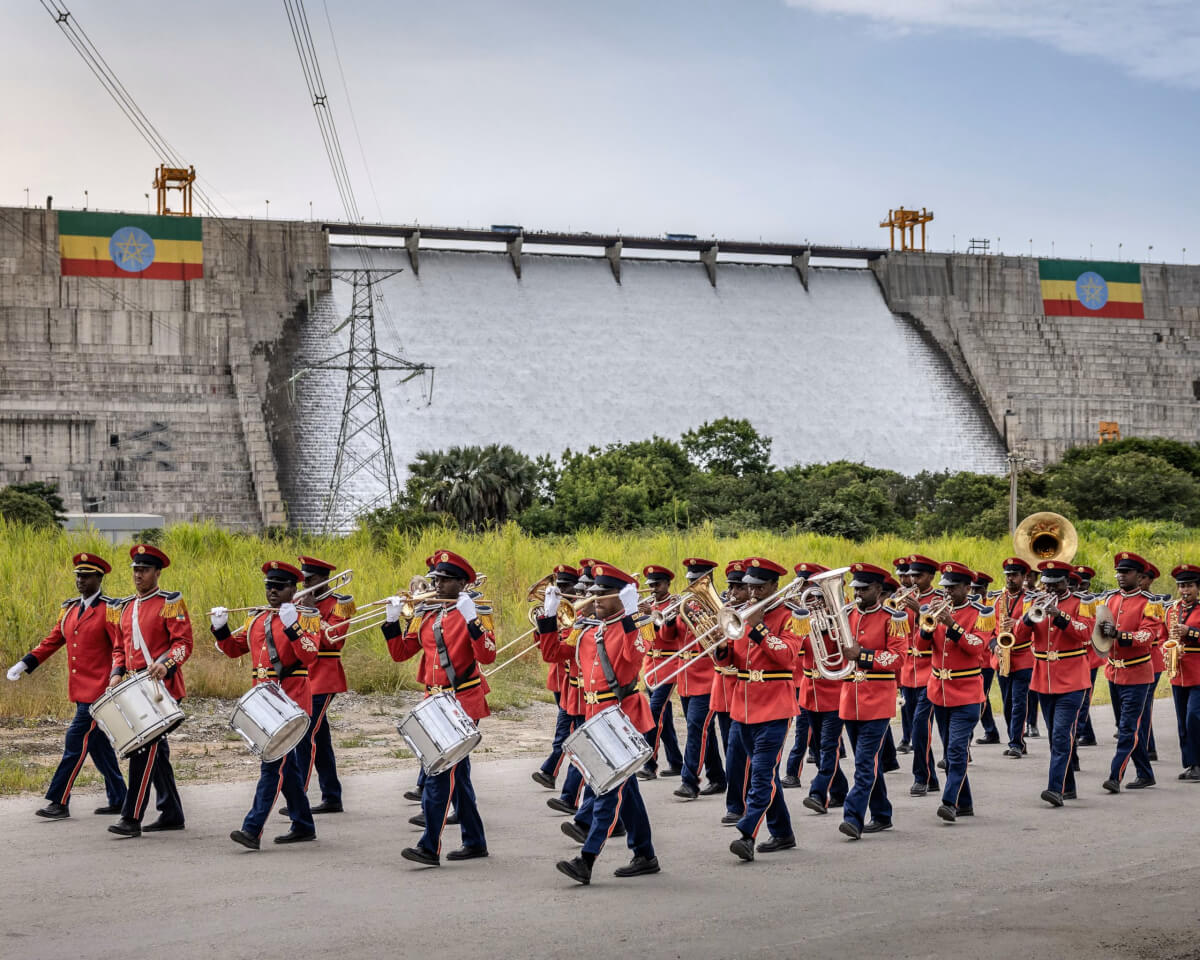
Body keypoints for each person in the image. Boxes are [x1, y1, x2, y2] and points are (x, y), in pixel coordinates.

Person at [537, 562, 660, 885]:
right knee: (625, 790)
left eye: (603, 594)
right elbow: (554, 654)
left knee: (607, 791)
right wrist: (548, 617)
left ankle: (587, 859)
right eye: (592, 594)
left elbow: (636, 657)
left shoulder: (633, 626)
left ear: (622, 597)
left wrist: (634, 617)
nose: (594, 600)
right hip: (595, 718)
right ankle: (645, 854)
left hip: (622, 719)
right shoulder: (588, 628)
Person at [383, 550, 496, 865]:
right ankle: (474, 841)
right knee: (456, 775)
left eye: (446, 580)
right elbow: (402, 653)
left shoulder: (476, 611)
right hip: (433, 701)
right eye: (436, 579)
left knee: (438, 773)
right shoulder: (428, 613)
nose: (438, 584)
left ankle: (429, 846)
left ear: (462, 583)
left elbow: (487, 655)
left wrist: (472, 620)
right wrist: (393, 622)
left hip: (462, 700)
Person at [7, 552, 127, 820]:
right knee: (96, 745)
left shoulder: (109, 609)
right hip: (80, 689)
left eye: (86, 576)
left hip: (99, 692)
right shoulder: (70, 609)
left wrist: (117, 674)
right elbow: (53, 640)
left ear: (99, 577)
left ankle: (59, 801)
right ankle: (121, 797)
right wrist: (25, 663)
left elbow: (120, 647)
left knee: (75, 742)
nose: (80, 580)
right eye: (78, 576)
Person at [213, 561, 320, 849]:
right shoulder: (256, 619)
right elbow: (234, 650)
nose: (272, 591)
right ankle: (304, 824)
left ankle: (252, 828)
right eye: (269, 586)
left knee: (272, 766)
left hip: (291, 704)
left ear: (293, 589)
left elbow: (310, 655)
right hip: (264, 703)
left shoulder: (306, 617)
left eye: (279, 586)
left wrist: (292, 626)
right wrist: (220, 629)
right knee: (288, 768)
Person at [711, 557, 799, 862]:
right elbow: (732, 663)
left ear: (775, 586)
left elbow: (787, 657)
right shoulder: (741, 615)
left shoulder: (791, 616)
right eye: (750, 587)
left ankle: (747, 833)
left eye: (760, 587)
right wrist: (719, 648)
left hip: (775, 706)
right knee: (767, 775)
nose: (754, 594)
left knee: (761, 774)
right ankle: (783, 832)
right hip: (743, 705)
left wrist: (759, 627)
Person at [106, 544, 192, 838]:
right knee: (156, 752)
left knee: (143, 750)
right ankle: (171, 813)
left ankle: (131, 818)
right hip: (133, 688)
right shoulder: (126, 606)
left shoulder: (170, 602)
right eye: (135, 570)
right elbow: (119, 648)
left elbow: (183, 645)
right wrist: (116, 673)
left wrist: (166, 664)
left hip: (160, 688)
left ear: (157, 572)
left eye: (144, 570)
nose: (138, 575)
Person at [1012, 560, 1094, 806]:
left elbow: (1086, 633)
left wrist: (1061, 617)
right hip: (1043, 680)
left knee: (1060, 735)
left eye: (1056, 583)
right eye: (1046, 583)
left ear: (1067, 581)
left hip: (1072, 679)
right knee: (1055, 738)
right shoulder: (1033, 602)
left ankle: (1055, 789)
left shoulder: (1082, 603)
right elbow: (1016, 639)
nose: (1050, 589)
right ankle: (1068, 786)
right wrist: (1027, 619)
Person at [835, 563, 908, 839]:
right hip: (849, 699)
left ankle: (853, 817)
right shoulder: (847, 615)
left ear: (879, 590)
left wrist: (862, 655)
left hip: (878, 700)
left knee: (864, 762)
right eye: (856, 588)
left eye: (864, 589)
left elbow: (897, 658)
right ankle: (882, 813)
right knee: (868, 761)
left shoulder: (894, 618)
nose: (858, 593)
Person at [284, 555, 354, 816]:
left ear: (325, 579)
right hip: (303, 674)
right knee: (320, 739)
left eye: (310, 580)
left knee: (305, 735)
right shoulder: (298, 602)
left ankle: (297, 798)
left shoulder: (341, 603)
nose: (305, 586)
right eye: (303, 580)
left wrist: (311, 612)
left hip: (325, 675)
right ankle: (332, 795)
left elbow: (334, 640)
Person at [923, 562, 992, 823]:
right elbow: (919, 646)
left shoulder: (981, 613)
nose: (947, 593)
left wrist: (952, 624)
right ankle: (965, 803)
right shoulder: (936, 611)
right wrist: (926, 628)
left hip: (967, 694)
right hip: (939, 692)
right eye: (945, 587)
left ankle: (949, 801)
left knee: (955, 751)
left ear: (967, 587)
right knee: (950, 752)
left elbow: (977, 647)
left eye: (953, 588)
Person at [1098, 551, 1161, 793]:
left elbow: (1148, 635)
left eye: (1126, 572)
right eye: (1119, 572)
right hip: (1114, 673)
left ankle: (1115, 776)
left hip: (1137, 675)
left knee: (1127, 729)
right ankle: (1145, 773)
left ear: (1139, 575)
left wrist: (1120, 635)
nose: (1121, 576)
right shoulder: (1111, 599)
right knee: (1129, 727)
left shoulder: (1150, 603)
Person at [790, 564, 849, 816]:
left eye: (814, 593)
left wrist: (825, 627)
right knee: (818, 746)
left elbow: (844, 645)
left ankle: (818, 791)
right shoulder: (803, 617)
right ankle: (840, 790)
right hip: (809, 691)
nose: (811, 599)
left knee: (827, 746)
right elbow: (797, 648)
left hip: (834, 692)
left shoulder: (841, 617)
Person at [666, 558, 726, 800]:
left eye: (696, 581)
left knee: (695, 728)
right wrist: (669, 620)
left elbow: (720, 643)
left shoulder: (718, 607)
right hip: (686, 678)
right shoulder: (685, 606)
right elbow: (669, 638)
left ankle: (689, 781)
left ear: (708, 580)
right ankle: (718, 777)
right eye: (690, 581)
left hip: (707, 677)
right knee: (704, 731)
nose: (690, 585)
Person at [539, 565, 589, 817]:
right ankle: (569, 797)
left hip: (604, 701)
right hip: (577, 696)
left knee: (592, 756)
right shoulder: (578, 625)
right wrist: (548, 618)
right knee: (581, 748)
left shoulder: (620, 626)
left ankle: (570, 796)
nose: (582, 598)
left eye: (588, 593)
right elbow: (551, 653)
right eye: (581, 592)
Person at [637, 561, 684, 782]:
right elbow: (646, 638)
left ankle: (649, 764)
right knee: (663, 716)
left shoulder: (673, 605)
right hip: (651, 666)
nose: (653, 588)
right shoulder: (649, 604)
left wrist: (654, 614)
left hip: (668, 665)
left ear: (667, 584)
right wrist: (645, 616)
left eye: (657, 584)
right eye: (651, 584)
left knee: (653, 713)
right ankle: (676, 762)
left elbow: (667, 637)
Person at [900, 554, 941, 797]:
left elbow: (933, 629)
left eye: (919, 576)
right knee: (916, 727)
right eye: (912, 575)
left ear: (931, 577)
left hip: (929, 671)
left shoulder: (938, 600)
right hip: (908, 671)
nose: (913, 580)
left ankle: (921, 777)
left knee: (919, 726)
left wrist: (919, 610)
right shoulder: (904, 598)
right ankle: (932, 777)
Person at [715, 560, 750, 826]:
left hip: (752, 692)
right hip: (727, 691)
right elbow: (722, 661)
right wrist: (718, 641)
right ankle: (736, 803)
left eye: (740, 587)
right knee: (732, 750)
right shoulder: (727, 614)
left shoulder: (758, 615)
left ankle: (749, 801)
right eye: (731, 587)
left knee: (745, 753)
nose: (734, 593)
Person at [782, 563, 822, 788]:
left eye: (805, 585)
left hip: (827, 683)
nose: (801, 590)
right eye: (799, 584)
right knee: (802, 731)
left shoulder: (831, 613)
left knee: (822, 741)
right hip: (804, 677)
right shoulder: (796, 611)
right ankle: (793, 773)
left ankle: (830, 783)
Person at [993, 557, 1035, 759]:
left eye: (1014, 575)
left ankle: (1016, 742)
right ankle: (1016, 738)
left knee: (1019, 702)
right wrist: (994, 646)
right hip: (1003, 656)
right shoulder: (999, 600)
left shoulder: (1030, 600)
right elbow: (991, 629)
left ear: (1024, 577)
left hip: (1023, 655)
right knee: (1007, 702)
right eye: (1008, 575)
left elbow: (1035, 625)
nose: (1010, 579)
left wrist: (1017, 622)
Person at [1168, 564, 1200, 781]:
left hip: (1198, 671)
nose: (1185, 590)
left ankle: (1198, 763)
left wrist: (1191, 632)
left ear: (1198, 587)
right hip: (1178, 671)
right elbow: (1162, 637)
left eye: (1189, 586)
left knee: (1194, 716)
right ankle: (1190, 764)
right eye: (1181, 586)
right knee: (1182, 719)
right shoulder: (1172, 609)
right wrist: (1167, 648)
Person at [1073, 564, 1102, 747]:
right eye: (1078, 584)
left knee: (1084, 698)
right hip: (1075, 656)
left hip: (1090, 656)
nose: (1081, 588)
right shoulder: (1072, 602)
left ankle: (1078, 732)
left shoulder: (1094, 603)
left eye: (1084, 585)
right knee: (1079, 698)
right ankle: (1088, 734)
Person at [972, 570, 1002, 745]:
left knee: (982, 696)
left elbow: (993, 631)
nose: (975, 593)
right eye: (973, 590)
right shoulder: (968, 605)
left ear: (985, 588)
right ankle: (991, 731)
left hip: (985, 658)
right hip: (972, 658)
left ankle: (990, 731)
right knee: (982, 697)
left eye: (978, 590)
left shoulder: (990, 606)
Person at [893, 557, 917, 754]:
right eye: (900, 575)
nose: (903, 579)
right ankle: (906, 737)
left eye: (906, 575)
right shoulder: (896, 596)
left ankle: (916, 738)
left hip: (924, 657)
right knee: (905, 702)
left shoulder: (927, 597)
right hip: (905, 657)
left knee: (922, 710)